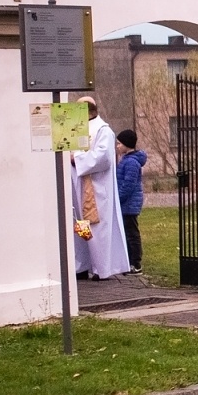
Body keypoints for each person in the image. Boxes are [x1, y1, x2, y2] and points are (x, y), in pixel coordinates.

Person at [72, 97, 130, 280]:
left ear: (89, 110)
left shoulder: (103, 130)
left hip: (97, 188)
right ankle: (82, 265)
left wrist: (77, 159)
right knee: (80, 224)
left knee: (97, 229)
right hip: (78, 184)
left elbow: (103, 157)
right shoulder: (76, 127)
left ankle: (101, 268)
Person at [115, 129, 146, 274]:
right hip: (127, 203)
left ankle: (136, 263)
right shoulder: (126, 160)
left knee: (132, 234)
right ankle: (128, 261)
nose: (117, 146)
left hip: (129, 204)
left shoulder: (131, 163)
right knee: (127, 233)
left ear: (127, 144)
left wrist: (118, 198)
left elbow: (128, 185)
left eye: (119, 143)